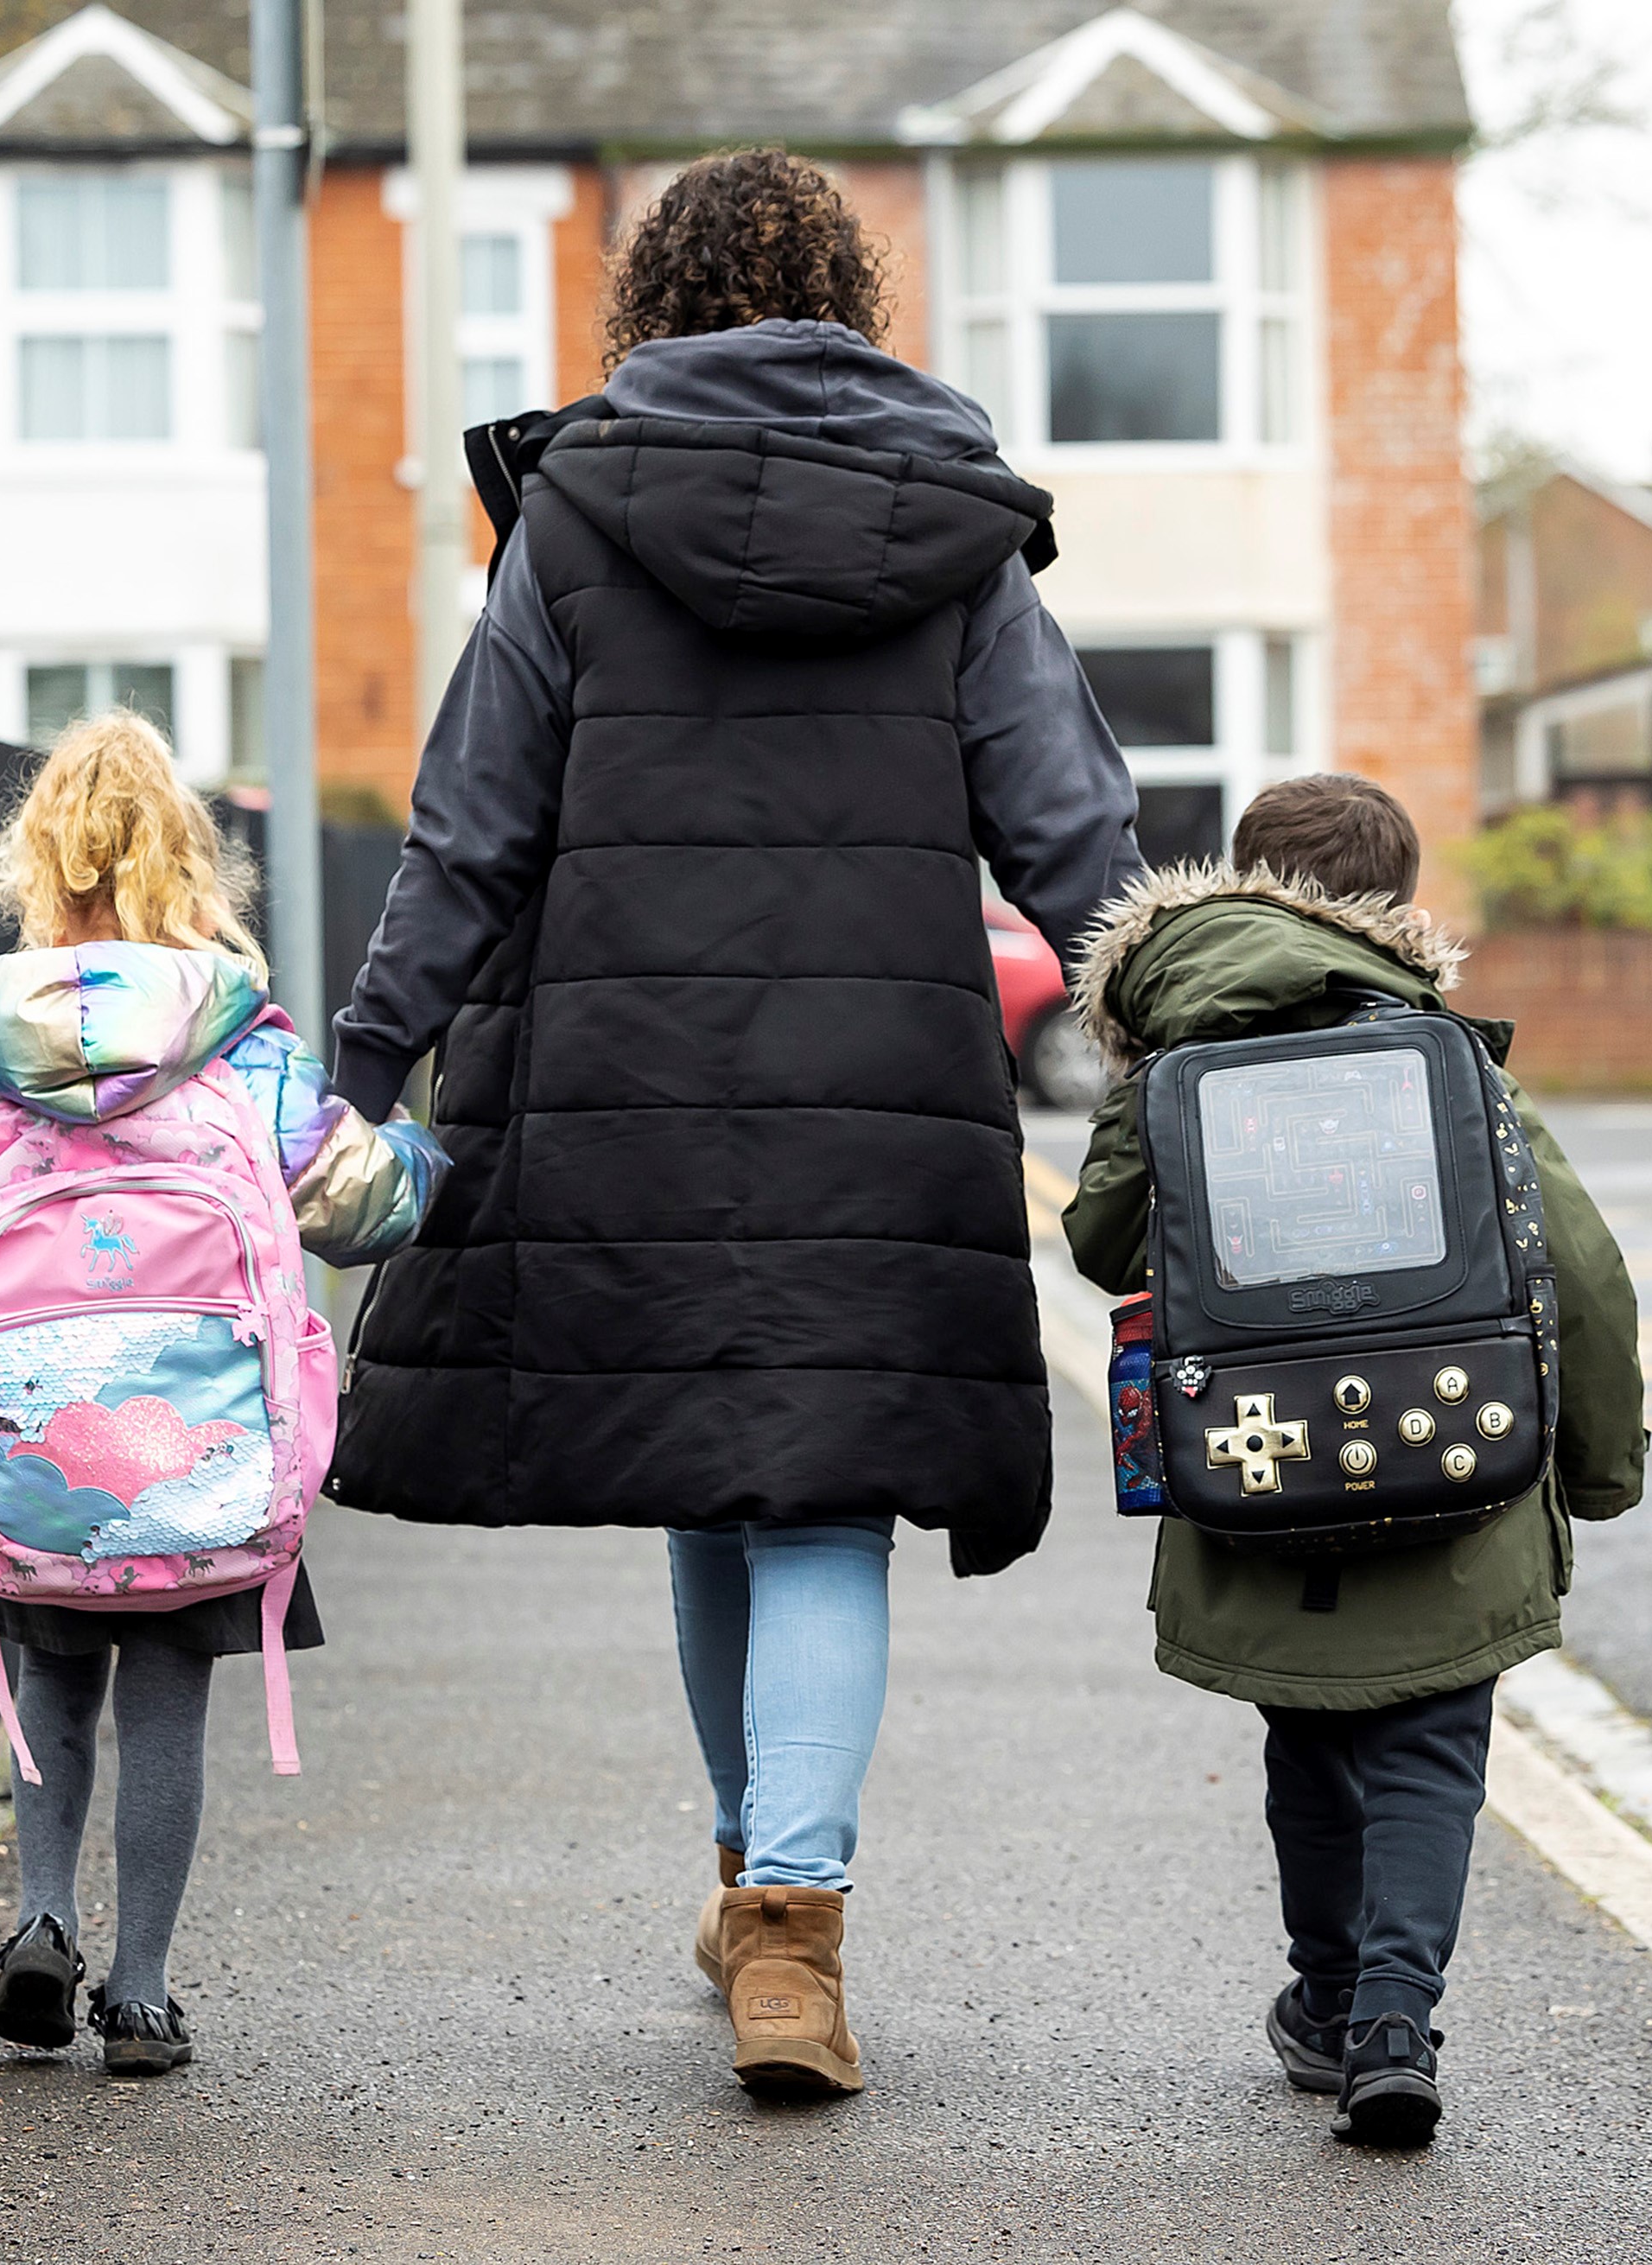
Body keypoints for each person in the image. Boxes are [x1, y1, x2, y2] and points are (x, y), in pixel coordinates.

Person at [322, 150, 1143, 2095]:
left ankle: (757, 1904)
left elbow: (472, 827)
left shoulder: (577, 513)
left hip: (627, 1096)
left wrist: (362, 1064)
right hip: (882, 1110)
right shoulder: (953, 527)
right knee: (822, 1497)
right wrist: (1206, 1026)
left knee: (715, 1474)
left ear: (648, 309)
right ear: (851, 297)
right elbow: (1074, 836)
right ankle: (789, 1919)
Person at [0, 716, 444, 2076]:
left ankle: (40, 1916)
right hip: (201, 1439)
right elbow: (358, 1204)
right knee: (167, 1688)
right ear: (191, 863)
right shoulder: (242, 1043)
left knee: (54, 1671)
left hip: (37, 1430)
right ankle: (143, 1991)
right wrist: (425, 1152)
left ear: (41, 864)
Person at [1059, 773, 1646, 2147]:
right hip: (1456, 1453)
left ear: (1240, 883)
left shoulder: (1174, 1055)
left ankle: (1324, 2001)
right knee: (1431, 1744)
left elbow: (1097, 1241)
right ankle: (1394, 2017)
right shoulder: (1443, 1054)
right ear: (1397, 905)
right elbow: (1584, 1272)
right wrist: (1600, 1470)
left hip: (1258, 1465)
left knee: (1311, 1742)